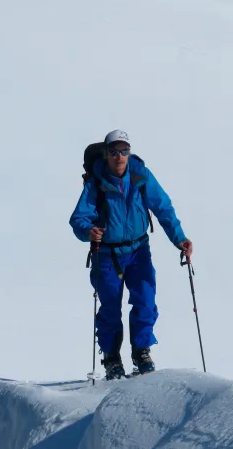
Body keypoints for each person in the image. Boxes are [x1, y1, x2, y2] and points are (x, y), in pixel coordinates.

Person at [69, 129, 192, 379]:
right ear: (106, 154)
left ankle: (141, 352)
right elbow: (78, 218)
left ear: (130, 152)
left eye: (124, 151)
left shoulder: (140, 176)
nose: (119, 156)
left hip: (138, 250)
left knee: (146, 298)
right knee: (111, 306)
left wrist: (180, 239)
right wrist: (87, 231)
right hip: (107, 254)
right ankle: (111, 357)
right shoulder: (97, 182)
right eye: (114, 151)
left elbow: (163, 207)